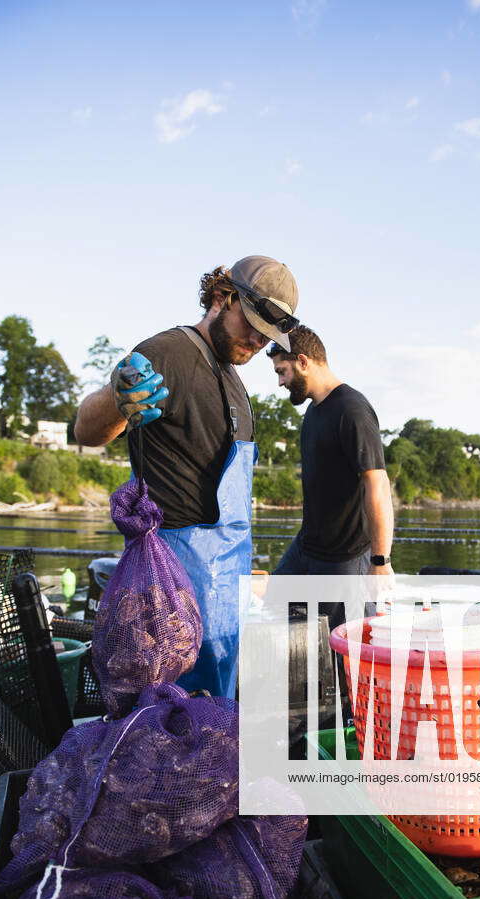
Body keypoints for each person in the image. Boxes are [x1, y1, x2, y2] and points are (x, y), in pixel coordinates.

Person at [75, 255, 300, 698]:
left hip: (227, 574)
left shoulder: (233, 378)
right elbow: (86, 429)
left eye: (267, 335)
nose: (257, 340)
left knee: (216, 713)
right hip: (172, 578)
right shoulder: (167, 353)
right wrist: (118, 399)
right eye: (251, 323)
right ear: (222, 297)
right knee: (171, 715)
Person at [268, 326, 394, 588]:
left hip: (344, 558)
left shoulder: (352, 409)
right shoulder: (313, 411)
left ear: (302, 361)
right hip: (307, 549)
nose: (280, 382)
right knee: (276, 612)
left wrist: (380, 561)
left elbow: (378, 484)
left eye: (282, 372)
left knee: (336, 631)